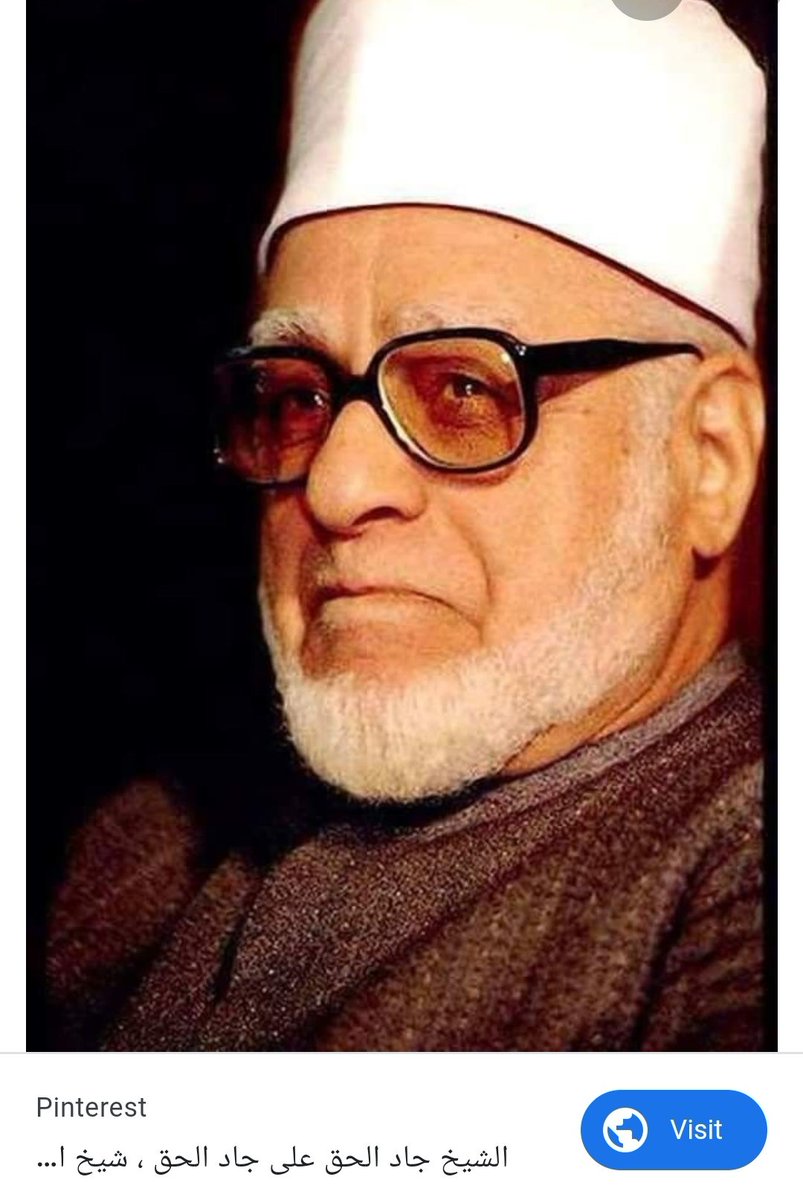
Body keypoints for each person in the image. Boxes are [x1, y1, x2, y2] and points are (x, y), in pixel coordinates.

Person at [47, 0, 768, 1050]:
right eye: (297, 395)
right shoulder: (141, 850)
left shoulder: (746, 882)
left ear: (707, 456)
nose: (336, 488)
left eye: (464, 391)